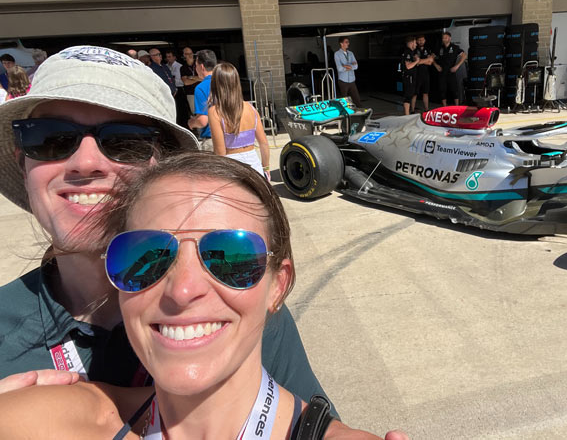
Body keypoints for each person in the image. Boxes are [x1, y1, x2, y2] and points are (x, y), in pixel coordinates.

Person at [0, 46, 333, 414]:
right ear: (23, 161)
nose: (85, 162)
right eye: (50, 138)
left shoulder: (231, 294)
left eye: (124, 141)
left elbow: (316, 423)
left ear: (166, 168)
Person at [0, 152, 397, 439]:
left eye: (231, 257)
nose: (184, 290)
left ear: (278, 285)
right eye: (145, 257)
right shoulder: (61, 420)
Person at [208, 62, 270, 179]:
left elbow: (220, 151)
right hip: (255, 166)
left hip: (232, 168)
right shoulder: (251, 108)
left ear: (216, 84)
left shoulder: (215, 112)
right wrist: (265, 167)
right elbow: (264, 143)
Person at [188, 49, 216, 151]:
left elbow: (203, 121)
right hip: (233, 137)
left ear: (202, 66)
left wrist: (192, 123)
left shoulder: (201, 88)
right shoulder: (227, 83)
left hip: (213, 140)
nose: (196, 68)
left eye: (196, 65)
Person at [434, 31, 466, 106]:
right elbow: (431, 57)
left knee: (454, 90)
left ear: (449, 38)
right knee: (442, 91)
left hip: (451, 72)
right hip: (442, 72)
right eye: (443, 38)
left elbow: (464, 56)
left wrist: (457, 66)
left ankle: (457, 107)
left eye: (446, 38)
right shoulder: (439, 48)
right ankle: (445, 107)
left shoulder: (455, 47)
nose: (444, 39)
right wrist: (436, 65)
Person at [165, 49, 190, 129]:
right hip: (170, 89)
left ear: (174, 57)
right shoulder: (166, 66)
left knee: (182, 109)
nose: (168, 58)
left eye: (169, 56)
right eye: (167, 57)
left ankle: (185, 126)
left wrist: (171, 79)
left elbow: (180, 80)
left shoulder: (179, 66)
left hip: (179, 89)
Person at [334, 37, 362, 106]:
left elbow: (356, 66)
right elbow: (339, 68)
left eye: (348, 42)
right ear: (341, 43)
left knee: (357, 100)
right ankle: (346, 114)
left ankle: (361, 113)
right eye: (346, 42)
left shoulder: (351, 53)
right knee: (344, 101)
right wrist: (351, 66)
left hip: (352, 80)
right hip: (343, 81)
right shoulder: (337, 54)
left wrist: (346, 66)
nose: (348, 43)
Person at [414, 35, 434, 113]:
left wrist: (421, 61)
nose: (421, 41)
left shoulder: (427, 49)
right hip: (417, 74)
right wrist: (427, 59)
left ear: (425, 40)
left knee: (425, 93)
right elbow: (417, 63)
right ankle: (412, 110)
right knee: (415, 93)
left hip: (426, 74)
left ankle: (426, 109)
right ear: (416, 41)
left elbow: (430, 63)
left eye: (422, 40)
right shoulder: (415, 49)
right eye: (419, 40)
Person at [400, 36, 420, 115]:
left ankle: (408, 113)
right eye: (415, 43)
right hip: (409, 77)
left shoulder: (411, 52)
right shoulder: (407, 52)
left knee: (411, 95)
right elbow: (408, 66)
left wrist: (416, 60)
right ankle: (407, 115)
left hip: (412, 77)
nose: (416, 45)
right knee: (408, 96)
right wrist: (416, 61)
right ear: (411, 43)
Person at [180, 46, 201, 116]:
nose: (189, 55)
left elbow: (204, 78)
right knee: (195, 113)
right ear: (183, 55)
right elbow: (186, 82)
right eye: (186, 53)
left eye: (190, 53)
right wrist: (197, 78)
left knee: (205, 112)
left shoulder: (199, 65)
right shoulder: (183, 68)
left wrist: (191, 77)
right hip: (190, 93)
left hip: (202, 91)